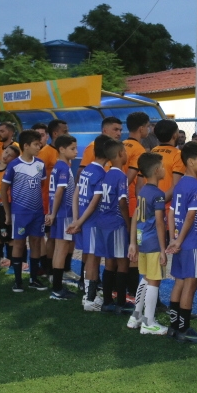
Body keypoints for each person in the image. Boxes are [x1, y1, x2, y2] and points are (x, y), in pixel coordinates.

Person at [166, 141, 197, 344]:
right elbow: (192, 216)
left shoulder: (180, 184)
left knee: (180, 281)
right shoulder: (195, 185)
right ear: (191, 162)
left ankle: (174, 326)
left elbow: (171, 212)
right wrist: (180, 240)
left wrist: (173, 239)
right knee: (190, 285)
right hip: (192, 242)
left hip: (181, 242)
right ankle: (184, 329)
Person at [127, 152, 168, 335]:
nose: (165, 169)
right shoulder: (158, 194)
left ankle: (136, 316)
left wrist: (133, 242)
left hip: (142, 239)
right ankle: (148, 322)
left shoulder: (143, 190)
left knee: (145, 278)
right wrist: (163, 249)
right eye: (163, 166)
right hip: (152, 243)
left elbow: (136, 216)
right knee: (154, 280)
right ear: (157, 170)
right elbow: (159, 223)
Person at [1, 130, 48, 292]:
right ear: (26, 146)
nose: (39, 147)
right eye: (36, 144)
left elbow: (41, 185)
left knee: (36, 243)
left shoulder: (40, 164)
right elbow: (4, 189)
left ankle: (33, 279)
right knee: (19, 243)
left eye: (40, 144)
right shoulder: (14, 165)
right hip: (20, 213)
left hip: (37, 212)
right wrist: (8, 213)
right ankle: (18, 281)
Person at [68, 134, 110, 309]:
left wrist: (76, 219)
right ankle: (89, 299)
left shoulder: (86, 169)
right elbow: (93, 204)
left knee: (91, 257)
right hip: (92, 223)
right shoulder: (101, 174)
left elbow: (76, 195)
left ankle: (89, 295)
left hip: (84, 221)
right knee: (93, 259)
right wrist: (78, 222)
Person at [96, 139, 132, 313]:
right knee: (123, 262)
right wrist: (128, 223)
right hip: (116, 223)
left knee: (109, 262)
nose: (126, 154)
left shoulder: (106, 174)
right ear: (120, 154)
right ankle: (120, 303)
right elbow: (122, 202)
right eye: (125, 151)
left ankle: (107, 301)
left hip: (104, 222)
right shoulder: (121, 176)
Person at [43, 135, 77, 300]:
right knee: (62, 250)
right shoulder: (63, 167)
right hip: (64, 214)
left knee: (59, 249)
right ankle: (57, 289)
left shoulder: (58, 166)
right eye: (72, 148)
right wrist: (53, 213)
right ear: (62, 149)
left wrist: (52, 212)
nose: (76, 152)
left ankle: (56, 285)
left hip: (60, 214)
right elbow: (59, 192)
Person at [123, 112, 150, 298]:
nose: (149, 129)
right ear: (141, 128)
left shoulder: (121, 145)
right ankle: (132, 291)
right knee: (134, 249)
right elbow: (129, 180)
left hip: (118, 203)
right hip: (131, 204)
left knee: (124, 247)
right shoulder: (139, 149)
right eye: (147, 126)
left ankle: (121, 288)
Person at [39, 119, 71, 279]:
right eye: (65, 131)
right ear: (56, 133)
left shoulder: (63, 157)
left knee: (59, 239)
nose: (68, 133)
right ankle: (50, 270)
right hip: (49, 203)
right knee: (52, 238)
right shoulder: (45, 152)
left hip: (58, 204)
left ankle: (59, 269)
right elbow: (38, 177)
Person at [151, 120, 185, 205]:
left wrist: (149, 204)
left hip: (149, 203)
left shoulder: (151, 152)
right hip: (167, 207)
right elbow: (175, 186)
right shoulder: (178, 154)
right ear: (174, 135)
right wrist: (157, 204)